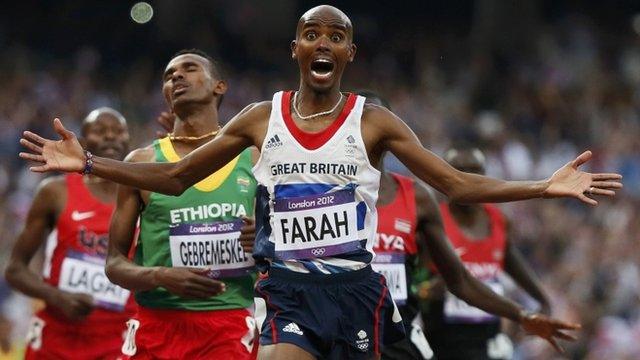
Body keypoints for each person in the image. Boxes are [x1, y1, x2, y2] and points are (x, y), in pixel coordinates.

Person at [19, 5, 622, 359]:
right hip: (287, 293)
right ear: (297, 48)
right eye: (313, 34)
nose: (324, 43)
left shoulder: (374, 121)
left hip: (357, 293)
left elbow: (458, 185)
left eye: (336, 36)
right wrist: (90, 166)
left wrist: (544, 186)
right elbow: (175, 177)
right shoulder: (262, 118)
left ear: (350, 53)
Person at [105, 49, 258, 359]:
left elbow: (288, 242)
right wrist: (159, 276)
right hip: (155, 328)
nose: (176, 76)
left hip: (228, 328)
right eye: (168, 75)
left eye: (189, 69)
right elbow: (114, 264)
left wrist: (266, 238)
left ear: (220, 86)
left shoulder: (255, 157)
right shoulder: (141, 163)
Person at [7, 108, 134, 359]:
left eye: (119, 131)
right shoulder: (55, 192)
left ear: (129, 140)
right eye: (100, 131)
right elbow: (15, 270)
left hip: (115, 345)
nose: (111, 136)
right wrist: (57, 297)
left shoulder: (143, 196)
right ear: (82, 142)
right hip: (54, 341)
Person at [421, 146, 552, 360]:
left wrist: (543, 299)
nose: (467, 177)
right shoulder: (432, 220)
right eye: (459, 170)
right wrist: (427, 289)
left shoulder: (498, 219)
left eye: (474, 170)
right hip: (442, 338)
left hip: (488, 337)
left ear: (484, 175)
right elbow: (414, 278)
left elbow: (510, 259)